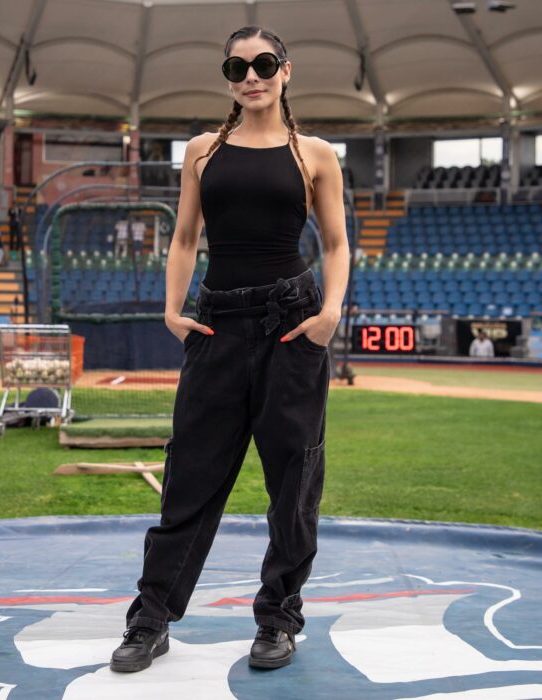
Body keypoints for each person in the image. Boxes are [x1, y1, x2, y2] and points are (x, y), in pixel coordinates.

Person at [110, 25, 349, 674]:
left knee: (293, 483)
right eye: (238, 66)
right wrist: (172, 309)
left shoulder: (316, 154)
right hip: (217, 326)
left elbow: (334, 244)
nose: (252, 75)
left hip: (292, 327)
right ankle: (150, 621)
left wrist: (329, 313)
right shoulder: (201, 150)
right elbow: (184, 237)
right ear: (228, 76)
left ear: (286, 71)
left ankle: (278, 620)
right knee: (189, 480)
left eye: (264, 64)